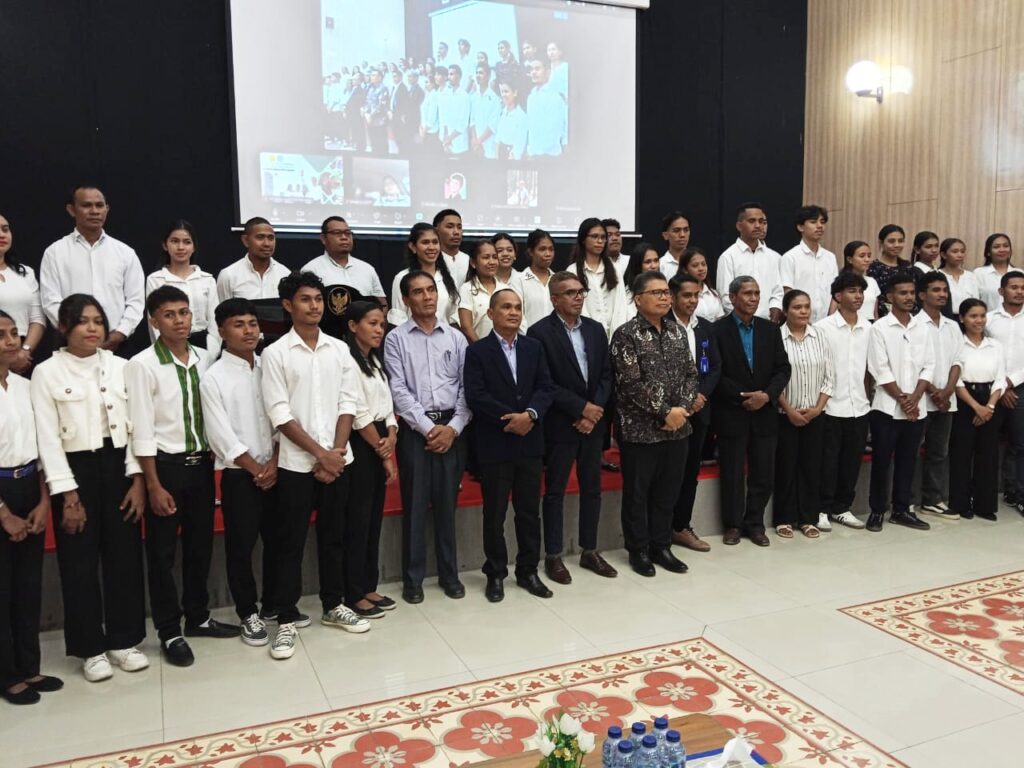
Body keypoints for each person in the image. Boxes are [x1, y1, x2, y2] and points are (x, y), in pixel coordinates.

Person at [31, 295, 147, 683]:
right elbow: (47, 439)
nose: (93, 328)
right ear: (64, 327)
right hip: (74, 470)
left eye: (99, 320)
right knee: (78, 563)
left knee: (124, 558)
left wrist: (137, 479)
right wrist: (67, 495)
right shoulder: (47, 372)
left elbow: (137, 427)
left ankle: (124, 640)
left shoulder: (121, 366)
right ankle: (90, 649)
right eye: (83, 321)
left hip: (119, 467)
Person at [261, 271, 370, 660]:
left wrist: (335, 453)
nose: (314, 306)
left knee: (334, 535)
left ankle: (333, 604)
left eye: (319, 299)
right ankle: (286, 618)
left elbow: (348, 403)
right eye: (305, 299)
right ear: (288, 305)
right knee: (290, 542)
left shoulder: (339, 349)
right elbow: (279, 413)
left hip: (339, 462)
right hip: (296, 464)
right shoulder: (275, 353)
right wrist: (319, 454)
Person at [126, 286, 237, 667]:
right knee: (162, 553)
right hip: (165, 468)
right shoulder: (142, 364)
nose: (179, 321)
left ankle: (198, 616)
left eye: (184, 312)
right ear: (154, 321)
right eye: (169, 314)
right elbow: (141, 428)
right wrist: (153, 484)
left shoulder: (206, 358)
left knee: (199, 546)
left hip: (201, 465)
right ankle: (169, 630)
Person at [384, 270, 470, 604]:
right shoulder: (396, 339)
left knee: (447, 506)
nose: (427, 296)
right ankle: (413, 579)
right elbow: (398, 390)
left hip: (452, 430)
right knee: (415, 505)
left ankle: (450, 575)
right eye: (418, 292)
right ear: (406, 299)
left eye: (431, 290)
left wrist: (453, 428)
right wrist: (428, 429)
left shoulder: (456, 338)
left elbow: (466, 387)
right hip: (416, 431)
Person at [199, 298, 279, 647]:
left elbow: (282, 418)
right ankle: (248, 612)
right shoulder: (213, 378)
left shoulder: (269, 366)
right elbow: (220, 436)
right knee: (241, 547)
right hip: (240, 476)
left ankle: (275, 605)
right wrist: (257, 469)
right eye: (238, 324)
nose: (248, 331)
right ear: (221, 331)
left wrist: (274, 462)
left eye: (252, 323)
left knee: (278, 541)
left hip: (276, 469)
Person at [464, 289, 554, 601]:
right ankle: (496, 573)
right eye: (506, 307)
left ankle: (528, 571)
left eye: (517, 307)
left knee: (529, 512)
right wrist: (510, 419)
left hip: (530, 441)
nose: (513, 312)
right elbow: (475, 395)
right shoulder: (478, 351)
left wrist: (530, 415)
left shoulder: (534, 347)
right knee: (495, 514)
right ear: (491, 313)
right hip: (495, 443)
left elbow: (546, 387)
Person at [528, 272, 617, 583]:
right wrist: (580, 409)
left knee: (592, 488)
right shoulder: (539, 332)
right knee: (555, 491)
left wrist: (594, 411)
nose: (578, 297)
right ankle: (553, 555)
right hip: (561, 423)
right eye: (570, 293)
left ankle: (589, 550)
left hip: (593, 423)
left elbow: (606, 373)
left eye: (581, 291)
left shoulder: (594, 329)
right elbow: (544, 382)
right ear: (555, 299)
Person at [611, 272, 698, 575]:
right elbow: (630, 384)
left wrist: (681, 410)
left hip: (678, 428)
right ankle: (638, 550)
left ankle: (661, 546)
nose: (664, 297)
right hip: (640, 431)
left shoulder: (677, 331)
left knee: (667, 492)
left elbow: (691, 374)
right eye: (656, 292)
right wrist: (664, 412)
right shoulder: (626, 335)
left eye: (666, 292)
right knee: (638, 494)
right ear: (638, 299)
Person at [0, 310, 59, 705]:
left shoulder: (24, 385)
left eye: (14, 333)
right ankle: (7, 674)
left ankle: (29, 665)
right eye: (1, 334)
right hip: (1, 492)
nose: (10, 341)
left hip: (28, 484)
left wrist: (42, 500)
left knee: (27, 585)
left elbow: (39, 448)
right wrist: (4, 514)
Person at [712, 277, 792, 546]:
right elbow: (713, 371)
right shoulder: (717, 330)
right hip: (731, 412)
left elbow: (783, 369)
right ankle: (733, 525)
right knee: (732, 473)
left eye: (757, 293)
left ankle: (755, 524)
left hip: (764, 412)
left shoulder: (770, 329)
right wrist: (743, 396)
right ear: (733, 297)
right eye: (747, 293)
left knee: (763, 472)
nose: (754, 298)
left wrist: (766, 396)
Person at [39, 185, 146, 356]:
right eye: (87, 205)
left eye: (99, 205)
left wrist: (119, 334)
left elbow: (136, 300)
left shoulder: (125, 253)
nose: (95, 211)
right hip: (70, 345)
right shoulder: (55, 252)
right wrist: (74, 332)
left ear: (107, 209)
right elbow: (50, 301)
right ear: (71, 210)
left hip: (117, 346)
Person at [865, 273, 934, 532]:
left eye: (911, 293)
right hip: (886, 407)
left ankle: (902, 509)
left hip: (917, 407)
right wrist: (903, 400)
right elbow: (879, 369)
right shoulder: (879, 328)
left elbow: (929, 365)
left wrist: (914, 398)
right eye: (902, 293)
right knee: (881, 462)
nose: (908, 298)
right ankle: (876, 511)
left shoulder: (922, 327)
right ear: (889, 297)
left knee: (908, 461)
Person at [343, 302, 398, 618]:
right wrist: (382, 447)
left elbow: (387, 406)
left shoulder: (375, 360)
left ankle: (369, 584)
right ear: (353, 326)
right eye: (372, 323)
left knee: (374, 518)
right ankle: (352, 591)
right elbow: (357, 412)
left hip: (380, 439)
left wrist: (391, 434)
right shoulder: (347, 362)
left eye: (382, 324)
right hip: (360, 443)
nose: (379, 330)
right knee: (358, 520)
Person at [772, 290, 833, 539]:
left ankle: (808, 518)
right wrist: (789, 410)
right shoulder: (776, 337)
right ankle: (783, 518)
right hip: (784, 414)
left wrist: (817, 409)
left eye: (807, 306)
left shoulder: (820, 336)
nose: (804, 311)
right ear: (786, 311)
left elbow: (829, 377)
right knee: (786, 467)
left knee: (811, 467)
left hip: (815, 414)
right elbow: (773, 379)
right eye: (797, 307)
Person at [667, 274, 720, 553]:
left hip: (699, 410)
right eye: (686, 295)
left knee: (690, 471)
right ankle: (660, 527)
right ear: (673, 297)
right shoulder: (662, 325)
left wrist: (701, 396)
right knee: (668, 472)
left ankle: (681, 525)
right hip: (671, 412)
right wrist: (685, 401)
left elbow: (715, 367)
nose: (692, 301)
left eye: (696, 295)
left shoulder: (706, 328)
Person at [815, 272, 871, 530]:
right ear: (838, 296)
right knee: (827, 461)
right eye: (852, 291)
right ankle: (822, 508)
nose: (858, 296)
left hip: (859, 405)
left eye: (861, 291)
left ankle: (842, 508)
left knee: (851, 461)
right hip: (830, 406)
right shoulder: (823, 328)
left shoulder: (869, 328)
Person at [950, 299, 1005, 521]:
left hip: (990, 400)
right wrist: (976, 407)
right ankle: (961, 503)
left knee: (988, 454)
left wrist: (989, 407)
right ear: (962, 318)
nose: (979, 320)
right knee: (962, 453)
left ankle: (985, 504)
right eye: (973, 316)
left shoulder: (995, 345)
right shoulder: (957, 345)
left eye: (982, 315)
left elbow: (1000, 378)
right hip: (965, 401)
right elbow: (956, 380)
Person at [915, 272, 961, 520]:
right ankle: (906, 501)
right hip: (921, 399)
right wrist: (934, 392)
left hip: (946, 401)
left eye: (944, 290)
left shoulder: (952, 326)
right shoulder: (914, 325)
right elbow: (915, 364)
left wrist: (947, 391)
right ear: (922, 295)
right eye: (936, 290)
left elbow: (957, 361)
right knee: (912, 452)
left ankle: (932, 500)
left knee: (939, 452)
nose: (942, 294)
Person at [146, 220, 219, 353]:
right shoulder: (155, 279)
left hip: (204, 345)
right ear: (165, 245)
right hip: (169, 344)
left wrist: (211, 353)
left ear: (194, 247)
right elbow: (154, 323)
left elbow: (215, 322)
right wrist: (165, 353)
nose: (181, 247)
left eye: (187, 242)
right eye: (174, 241)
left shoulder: (207, 280)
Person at [985, 271, 1024, 514]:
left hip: (1020, 387)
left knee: (1020, 443)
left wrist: (1010, 381)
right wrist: (1001, 385)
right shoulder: (988, 319)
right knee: (986, 444)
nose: (1019, 291)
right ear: (1001, 291)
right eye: (1014, 287)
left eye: (1023, 287)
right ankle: (982, 494)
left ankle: (1018, 493)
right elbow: (982, 352)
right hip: (990, 388)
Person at [716, 203, 784, 321]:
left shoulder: (774, 257)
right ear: (739, 226)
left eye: (761, 221)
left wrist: (772, 322)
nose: (758, 226)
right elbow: (726, 296)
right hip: (738, 324)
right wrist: (745, 321)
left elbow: (777, 293)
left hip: (768, 323)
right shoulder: (728, 257)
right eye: (752, 221)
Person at [302, 216, 386, 305]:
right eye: (337, 233)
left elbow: (381, 303)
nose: (344, 237)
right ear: (323, 238)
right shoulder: (311, 270)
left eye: (348, 233)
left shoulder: (367, 269)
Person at [566, 218, 629, 338]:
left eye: (603, 237)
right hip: (586, 335)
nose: (600, 241)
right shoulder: (573, 271)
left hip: (615, 335)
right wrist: (592, 333)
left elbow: (620, 304)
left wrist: (617, 336)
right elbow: (577, 308)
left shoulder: (614, 268)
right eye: (594, 237)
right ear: (583, 239)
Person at [389, 223, 460, 327]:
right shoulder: (402, 277)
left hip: (445, 335)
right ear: (413, 247)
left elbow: (454, 315)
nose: (431, 247)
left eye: (435, 242)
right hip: (412, 335)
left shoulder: (449, 277)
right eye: (425, 242)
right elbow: (398, 318)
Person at [0, 214, 44, 375]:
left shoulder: (25, 272)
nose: (2, 235)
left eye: (5, 229)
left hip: (21, 357)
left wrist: (24, 351)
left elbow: (37, 318)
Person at [779, 204, 837, 323]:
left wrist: (830, 319)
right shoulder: (790, 257)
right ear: (800, 227)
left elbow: (835, 291)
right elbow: (788, 293)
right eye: (813, 222)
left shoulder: (830, 257)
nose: (820, 226)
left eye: (822, 222)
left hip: (827, 322)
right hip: (799, 321)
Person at [216, 217, 291, 302]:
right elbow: (223, 310)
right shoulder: (228, 275)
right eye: (260, 237)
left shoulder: (285, 274)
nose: (267, 244)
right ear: (245, 240)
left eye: (271, 238)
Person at [459, 240, 509, 342]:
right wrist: (481, 348)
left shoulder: (506, 289)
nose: (492, 262)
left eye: (494, 257)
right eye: (486, 257)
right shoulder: (467, 289)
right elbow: (466, 327)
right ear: (473, 263)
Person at [525, 58, 567, 157]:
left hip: (550, 154)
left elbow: (561, 128)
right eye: (531, 69)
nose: (533, 72)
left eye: (537, 69)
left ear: (548, 72)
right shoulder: (531, 97)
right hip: (533, 153)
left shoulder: (554, 96)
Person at [868, 224, 911, 315]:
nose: (897, 245)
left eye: (900, 241)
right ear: (881, 243)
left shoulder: (908, 266)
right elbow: (875, 298)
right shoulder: (873, 267)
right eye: (891, 241)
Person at [835, 240, 881, 323]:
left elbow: (875, 313)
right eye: (862, 256)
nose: (867, 259)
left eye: (869, 256)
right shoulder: (841, 282)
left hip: (870, 324)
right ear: (849, 259)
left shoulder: (872, 281)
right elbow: (833, 311)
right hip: (848, 323)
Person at [519, 229, 556, 328]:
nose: (548, 254)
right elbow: (517, 315)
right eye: (542, 249)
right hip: (528, 336)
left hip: (556, 336)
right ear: (531, 252)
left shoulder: (558, 280)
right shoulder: (519, 280)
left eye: (551, 249)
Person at [975, 233, 1020, 311]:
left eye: (1006, 246)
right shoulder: (979, 273)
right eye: (996, 247)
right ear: (988, 252)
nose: (1002, 250)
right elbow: (974, 302)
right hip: (988, 318)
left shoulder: (1019, 273)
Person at [679, 247, 725, 322]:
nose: (701, 268)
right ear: (685, 269)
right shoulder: (681, 295)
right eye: (695, 265)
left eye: (703, 264)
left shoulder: (714, 294)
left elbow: (721, 319)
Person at [938, 238, 979, 315]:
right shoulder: (937, 275)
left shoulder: (971, 276)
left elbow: (975, 301)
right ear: (943, 255)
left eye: (962, 252)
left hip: (967, 317)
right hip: (944, 316)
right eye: (955, 252)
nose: (960, 255)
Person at [470, 64, 501, 158]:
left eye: (481, 73)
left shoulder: (495, 99)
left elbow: (493, 125)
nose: (478, 75)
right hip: (476, 148)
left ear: (488, 76)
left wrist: (479, 141)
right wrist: (475, 140)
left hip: (489, 147)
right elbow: (472, 121)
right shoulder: (473, 97)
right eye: (476, 73)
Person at [440, 65, 471, 155]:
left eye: (452, 74)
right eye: (448, 74)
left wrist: (449, 138)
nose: (449, 77)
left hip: (459, 143)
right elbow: (445, 118)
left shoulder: (464, 96)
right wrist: (445, 138)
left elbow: (463, 123)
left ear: (459, 76)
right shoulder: (447, 94)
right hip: (447, 144)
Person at [434, 209, 470, 285]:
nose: (456, 232)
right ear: (436, 230)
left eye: (459, 227)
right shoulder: (431, 260)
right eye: (450, 227)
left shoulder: (469, 260)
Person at [393, 69, 425, 154]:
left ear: (416, 78)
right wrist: (403, 115)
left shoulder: (420, 91)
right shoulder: (408, 90)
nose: (409, 78)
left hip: (414, 120)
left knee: (414, 143)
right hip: (406, 120)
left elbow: (415, 106)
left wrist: (407, 115)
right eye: (408, 76)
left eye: (411, 77)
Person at [494, 81, 527, 160]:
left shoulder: (521, 116)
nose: (503, 95)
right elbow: (498, 137)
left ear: (515, 93)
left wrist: (513, 158)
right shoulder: (503, 112)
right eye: (502, 92)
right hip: (500, 154)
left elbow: (520, 144)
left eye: (506, 91)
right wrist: (496, 155)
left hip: (511, 156)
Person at [362, 69, 390, 155]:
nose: (371, 77)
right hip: (371, 121)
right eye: (371, 75)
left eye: (374, 75)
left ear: (380, 78)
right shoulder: (370, 88)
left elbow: (381, 105)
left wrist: (370, 115)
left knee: (381, 144)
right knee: (373, 142)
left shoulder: (383, 88)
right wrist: (366, 113)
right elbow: (367, 102)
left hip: (379, 120)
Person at [659, 212, 691, 277]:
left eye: (686, 230)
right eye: (676, 230)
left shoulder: (697, 262)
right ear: (665, 235)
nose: (682, 235)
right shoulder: (660, 265)